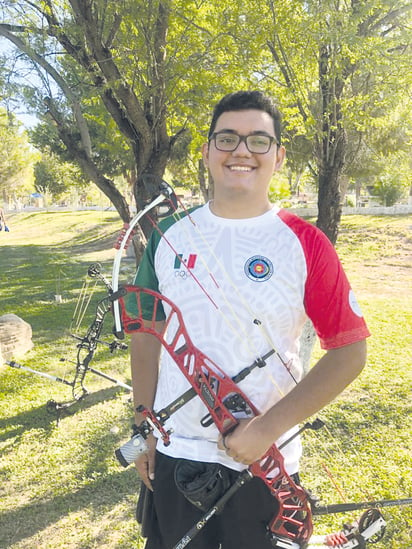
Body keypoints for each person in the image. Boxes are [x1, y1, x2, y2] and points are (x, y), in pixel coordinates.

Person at [129, 90, 370, 549]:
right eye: (227, 138)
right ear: (206, 152)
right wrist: (145, 425)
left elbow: (349, 351)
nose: (241, 151)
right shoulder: (166, 237)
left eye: (258, 140)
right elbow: (145, 334)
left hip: (268, 461)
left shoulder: (306, 243)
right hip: (177, 453)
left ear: (278, 156)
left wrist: (264, 430)